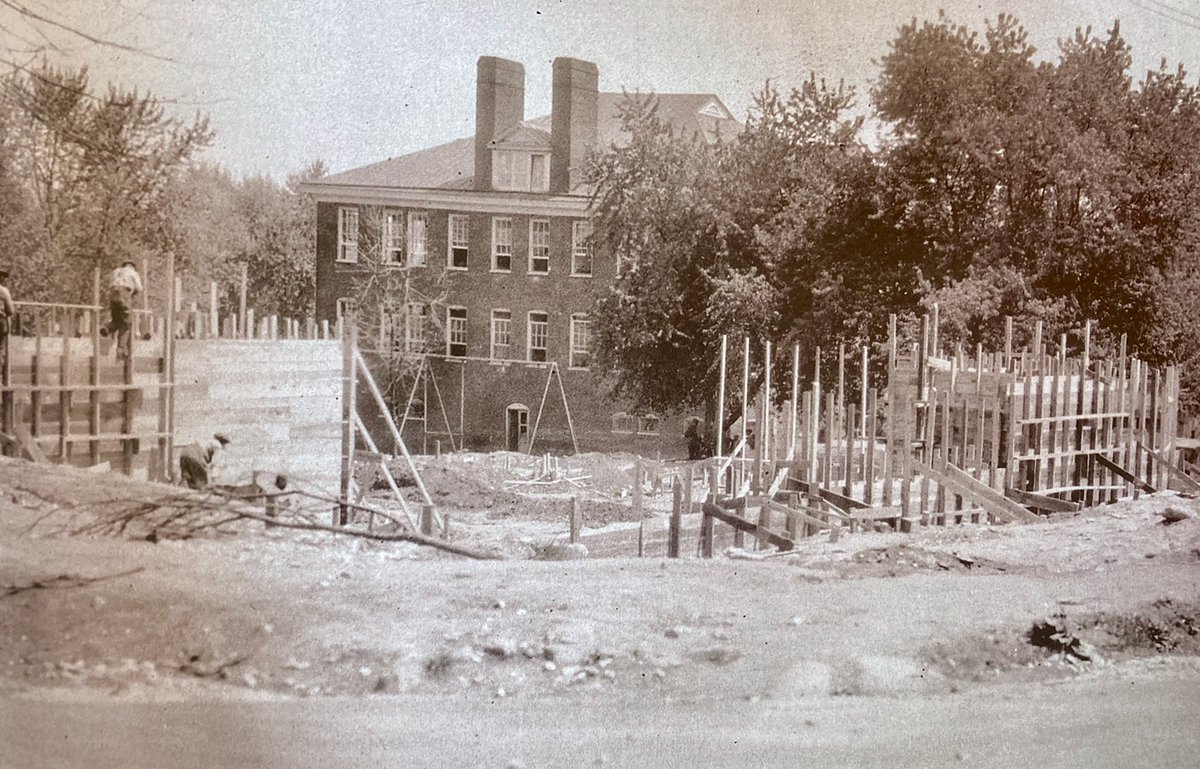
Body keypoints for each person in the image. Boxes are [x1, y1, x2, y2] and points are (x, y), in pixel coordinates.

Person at [103, 260, 142, 358]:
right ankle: (121, 350)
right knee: (127, 323)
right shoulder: (133, 273)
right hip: (124, 294)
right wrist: (133, 293)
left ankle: (107, 328)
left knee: (117, 320)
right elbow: (139, 288)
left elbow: (110, 285)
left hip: (113, 295)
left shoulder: (116, 271)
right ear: (132, 267)